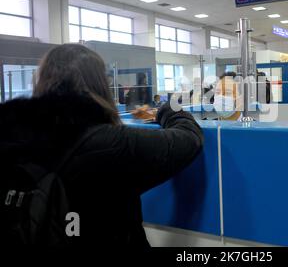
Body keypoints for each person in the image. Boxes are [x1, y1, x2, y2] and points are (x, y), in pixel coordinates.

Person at [0, 44, 203, 249]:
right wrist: (169, 108)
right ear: (100, 84)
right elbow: (189, 139)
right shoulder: (111, 143)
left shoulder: (11, 138)